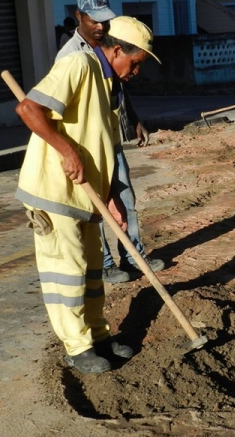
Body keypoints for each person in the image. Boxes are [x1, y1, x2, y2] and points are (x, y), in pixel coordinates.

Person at [15, 16, 161, 374]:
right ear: (115, 50)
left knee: (92, 271)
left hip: (86, 197)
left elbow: (104, 145)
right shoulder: (79, 64)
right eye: (136, 63)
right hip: (54, 190)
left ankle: (97, 337)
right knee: (67, 272)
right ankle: (77, 348)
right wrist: (66, 151)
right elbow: (28, 109)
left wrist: (113, 196)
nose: (136, 72)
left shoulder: (110, 85)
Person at [58, 0, 165, 284]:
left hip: (110, 137)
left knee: (124, 199)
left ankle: (133, 255)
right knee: (96, 206)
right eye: (94, 20)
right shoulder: (71, 57)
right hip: (86, 145)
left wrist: (133, 119)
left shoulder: (107, 47)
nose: (100, 26)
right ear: (78, 16)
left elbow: (119, 87)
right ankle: (104, 263)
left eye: (105, 20)